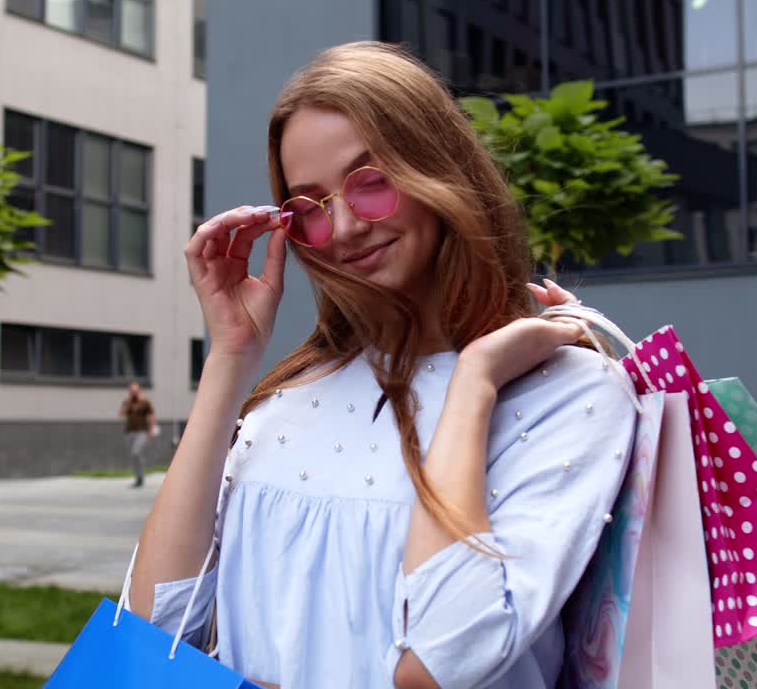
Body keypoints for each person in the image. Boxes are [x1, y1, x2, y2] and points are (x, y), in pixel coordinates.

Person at [129, 42, 638, 689]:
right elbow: (151, 633)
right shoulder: (283, 406)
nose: (342, 228)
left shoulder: (570, 395)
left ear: (440, 168)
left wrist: (474, 382)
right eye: (308, 208)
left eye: (370, 183)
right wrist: (229, 359)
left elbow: (438, 665)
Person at [118, 382, 157, 488]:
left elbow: (151, 415)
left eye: (135, 391)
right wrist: (128, 403)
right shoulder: (127, 402)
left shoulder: (145, 402)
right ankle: (138, 478)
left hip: (142, 432)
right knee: (133, 455)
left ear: (139, 391)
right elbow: (121, 413)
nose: (133, 393)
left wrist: (152, 428)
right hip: (130, 432)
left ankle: (141, 476)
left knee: (136, 452)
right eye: (131, 391)